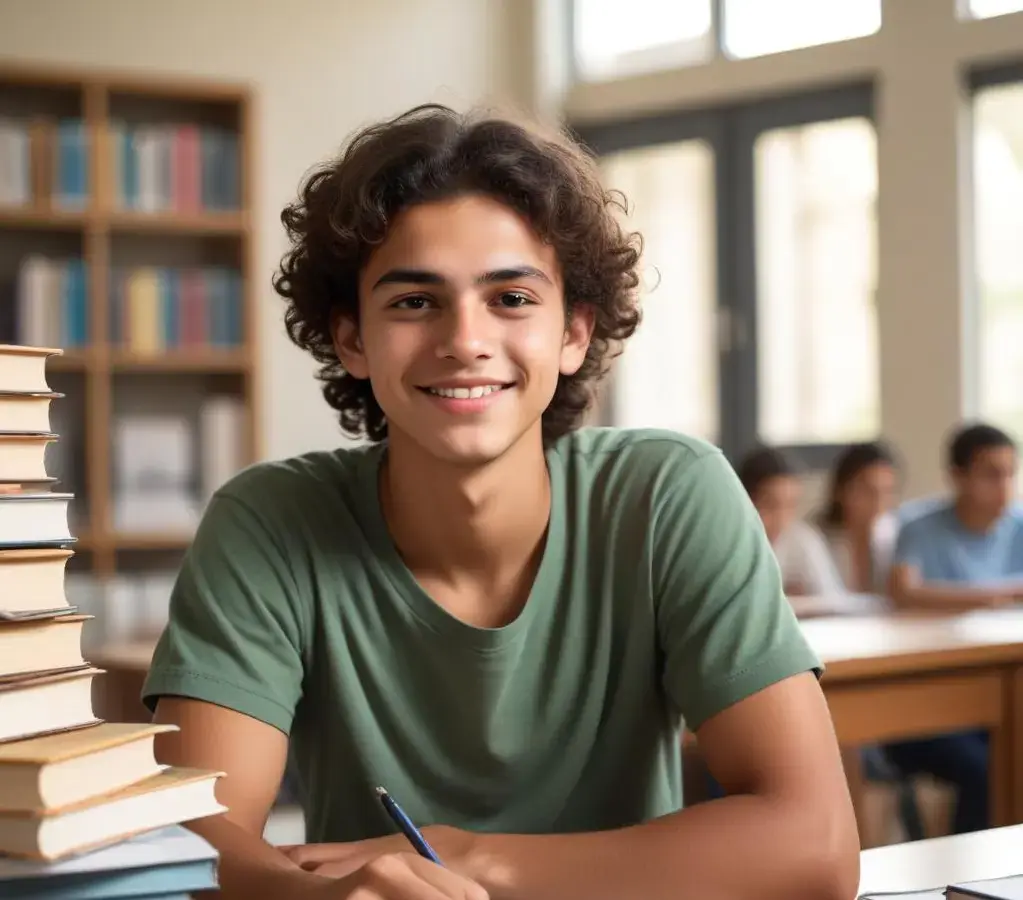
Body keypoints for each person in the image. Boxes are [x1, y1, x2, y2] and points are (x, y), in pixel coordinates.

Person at [140, 104, 858, 900]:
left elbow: (816, 847)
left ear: (574, 333)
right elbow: (184, 845)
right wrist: (326, 899)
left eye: (511, 299)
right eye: (414, 302)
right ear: (351, 338)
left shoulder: (667, 495)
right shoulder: (269, 522)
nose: (464, 339)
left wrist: (474, 859)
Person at [881, 422, 1023, 835]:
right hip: (924, 707)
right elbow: (903, 591)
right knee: (986, 768)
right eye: (991, 473)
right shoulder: (919, 526)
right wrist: (1001, 594)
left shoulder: (1019, 525)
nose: (1004, 485)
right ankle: (968, 884)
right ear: (958, 476)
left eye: (1010, 473)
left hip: (1000, 696)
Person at [736, 446, 845, 598]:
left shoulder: (804, 539)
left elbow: (831, 598)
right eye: (770, 504)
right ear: (745, 501)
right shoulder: (731, 545)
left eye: (790, 505)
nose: (781, 518)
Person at [818, 441, 901, 598]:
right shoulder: (815, 539)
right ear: (840, 491)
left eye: (887, 492)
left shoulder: (896, 537)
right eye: (868, 491)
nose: (878, 502)